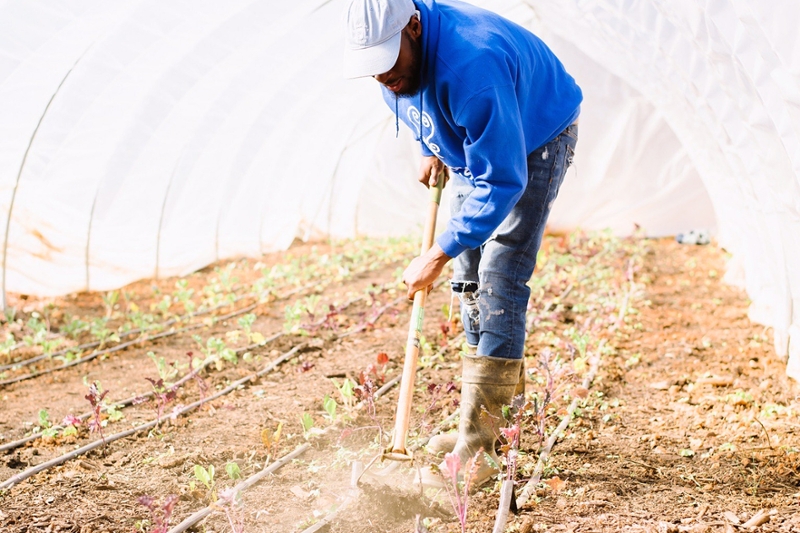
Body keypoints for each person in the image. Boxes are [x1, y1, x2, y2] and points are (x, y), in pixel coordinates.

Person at [343, 0, 582, 487]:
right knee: (466, 276)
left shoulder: (474, 64)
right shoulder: (395, 68)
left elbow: (502, 178)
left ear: (413, 27)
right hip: (483, 140)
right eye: (372, 68)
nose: (381, 76)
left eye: (388, 62)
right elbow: (409, 98)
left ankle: (481, 448)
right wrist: (428, 146)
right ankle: (478, 425)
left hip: (535, 135)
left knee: (499, 277)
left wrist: (435, 253)